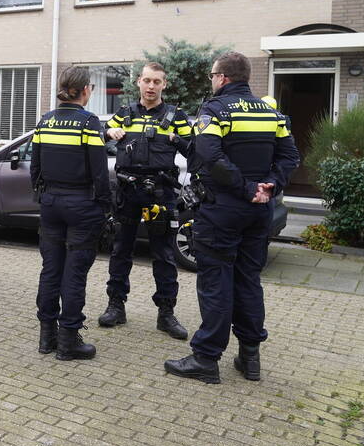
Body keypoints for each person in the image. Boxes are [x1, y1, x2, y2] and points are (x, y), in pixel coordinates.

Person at [164, 52, 299, 384]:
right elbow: (290, 156)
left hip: (223, 209)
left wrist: (246, 188)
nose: (212, 81)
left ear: (222, 77)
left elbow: (210, 155)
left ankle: (205, 359)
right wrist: (270, 185)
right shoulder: (271, 113)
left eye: (212, 75)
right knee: (249, 280)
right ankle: (250, 357)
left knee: (216, 282)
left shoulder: (215, 110)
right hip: (259, 210)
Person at [98, 62, 192, 339]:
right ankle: (116, 306)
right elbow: (100, 136)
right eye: (147, 81)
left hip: (160, 193)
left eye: (157, 82)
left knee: (163, 254)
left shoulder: (176, 116)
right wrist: (108, 133)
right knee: (121, 250)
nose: (151, 86)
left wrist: (177, 140)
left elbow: (195, 150)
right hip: (127, 191)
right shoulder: (124, 113)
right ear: (138, 81)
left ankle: (166, 314)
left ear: (164, 84)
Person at [30, 66, 112, 360]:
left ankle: (46, 337)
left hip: (51, 204)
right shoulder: (89, 123)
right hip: (82, 206)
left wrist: (43, 196)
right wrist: (104, 206)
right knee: (74, 274)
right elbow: (100, 172)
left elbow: (35, 167)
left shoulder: (45, 122)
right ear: (85, 90)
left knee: (51, 269)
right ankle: (68, 343)